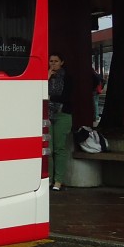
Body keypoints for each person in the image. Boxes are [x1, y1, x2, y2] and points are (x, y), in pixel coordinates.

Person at [48, 52, 74, 191]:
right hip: (48, 115)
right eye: (51, 61)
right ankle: (49, 179)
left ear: (62, 62)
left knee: (59, 148)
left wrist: (49, 96)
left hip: (63, 115)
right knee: (49, 149)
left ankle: (58, 181)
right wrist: (46, 79)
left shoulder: (67, 78)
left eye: (56, 61)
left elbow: (66, 97)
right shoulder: (46, 77)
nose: (53, 64)